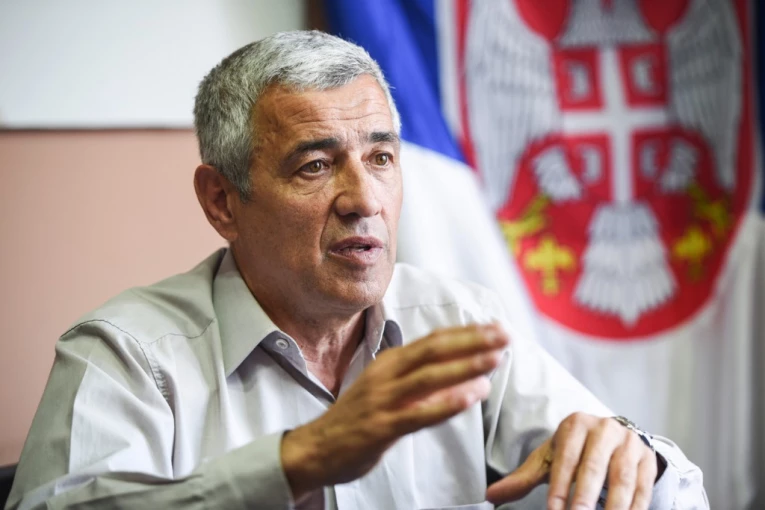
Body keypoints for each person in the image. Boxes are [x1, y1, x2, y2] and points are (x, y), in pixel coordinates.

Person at [6, 31, 707, 510]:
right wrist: (297, 462)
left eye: (380, 158)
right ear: (222, 201)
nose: (365, 200)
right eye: (315, 165)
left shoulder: (458, 321)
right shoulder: (127, 355)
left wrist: (632, 458)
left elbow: (675, 493)